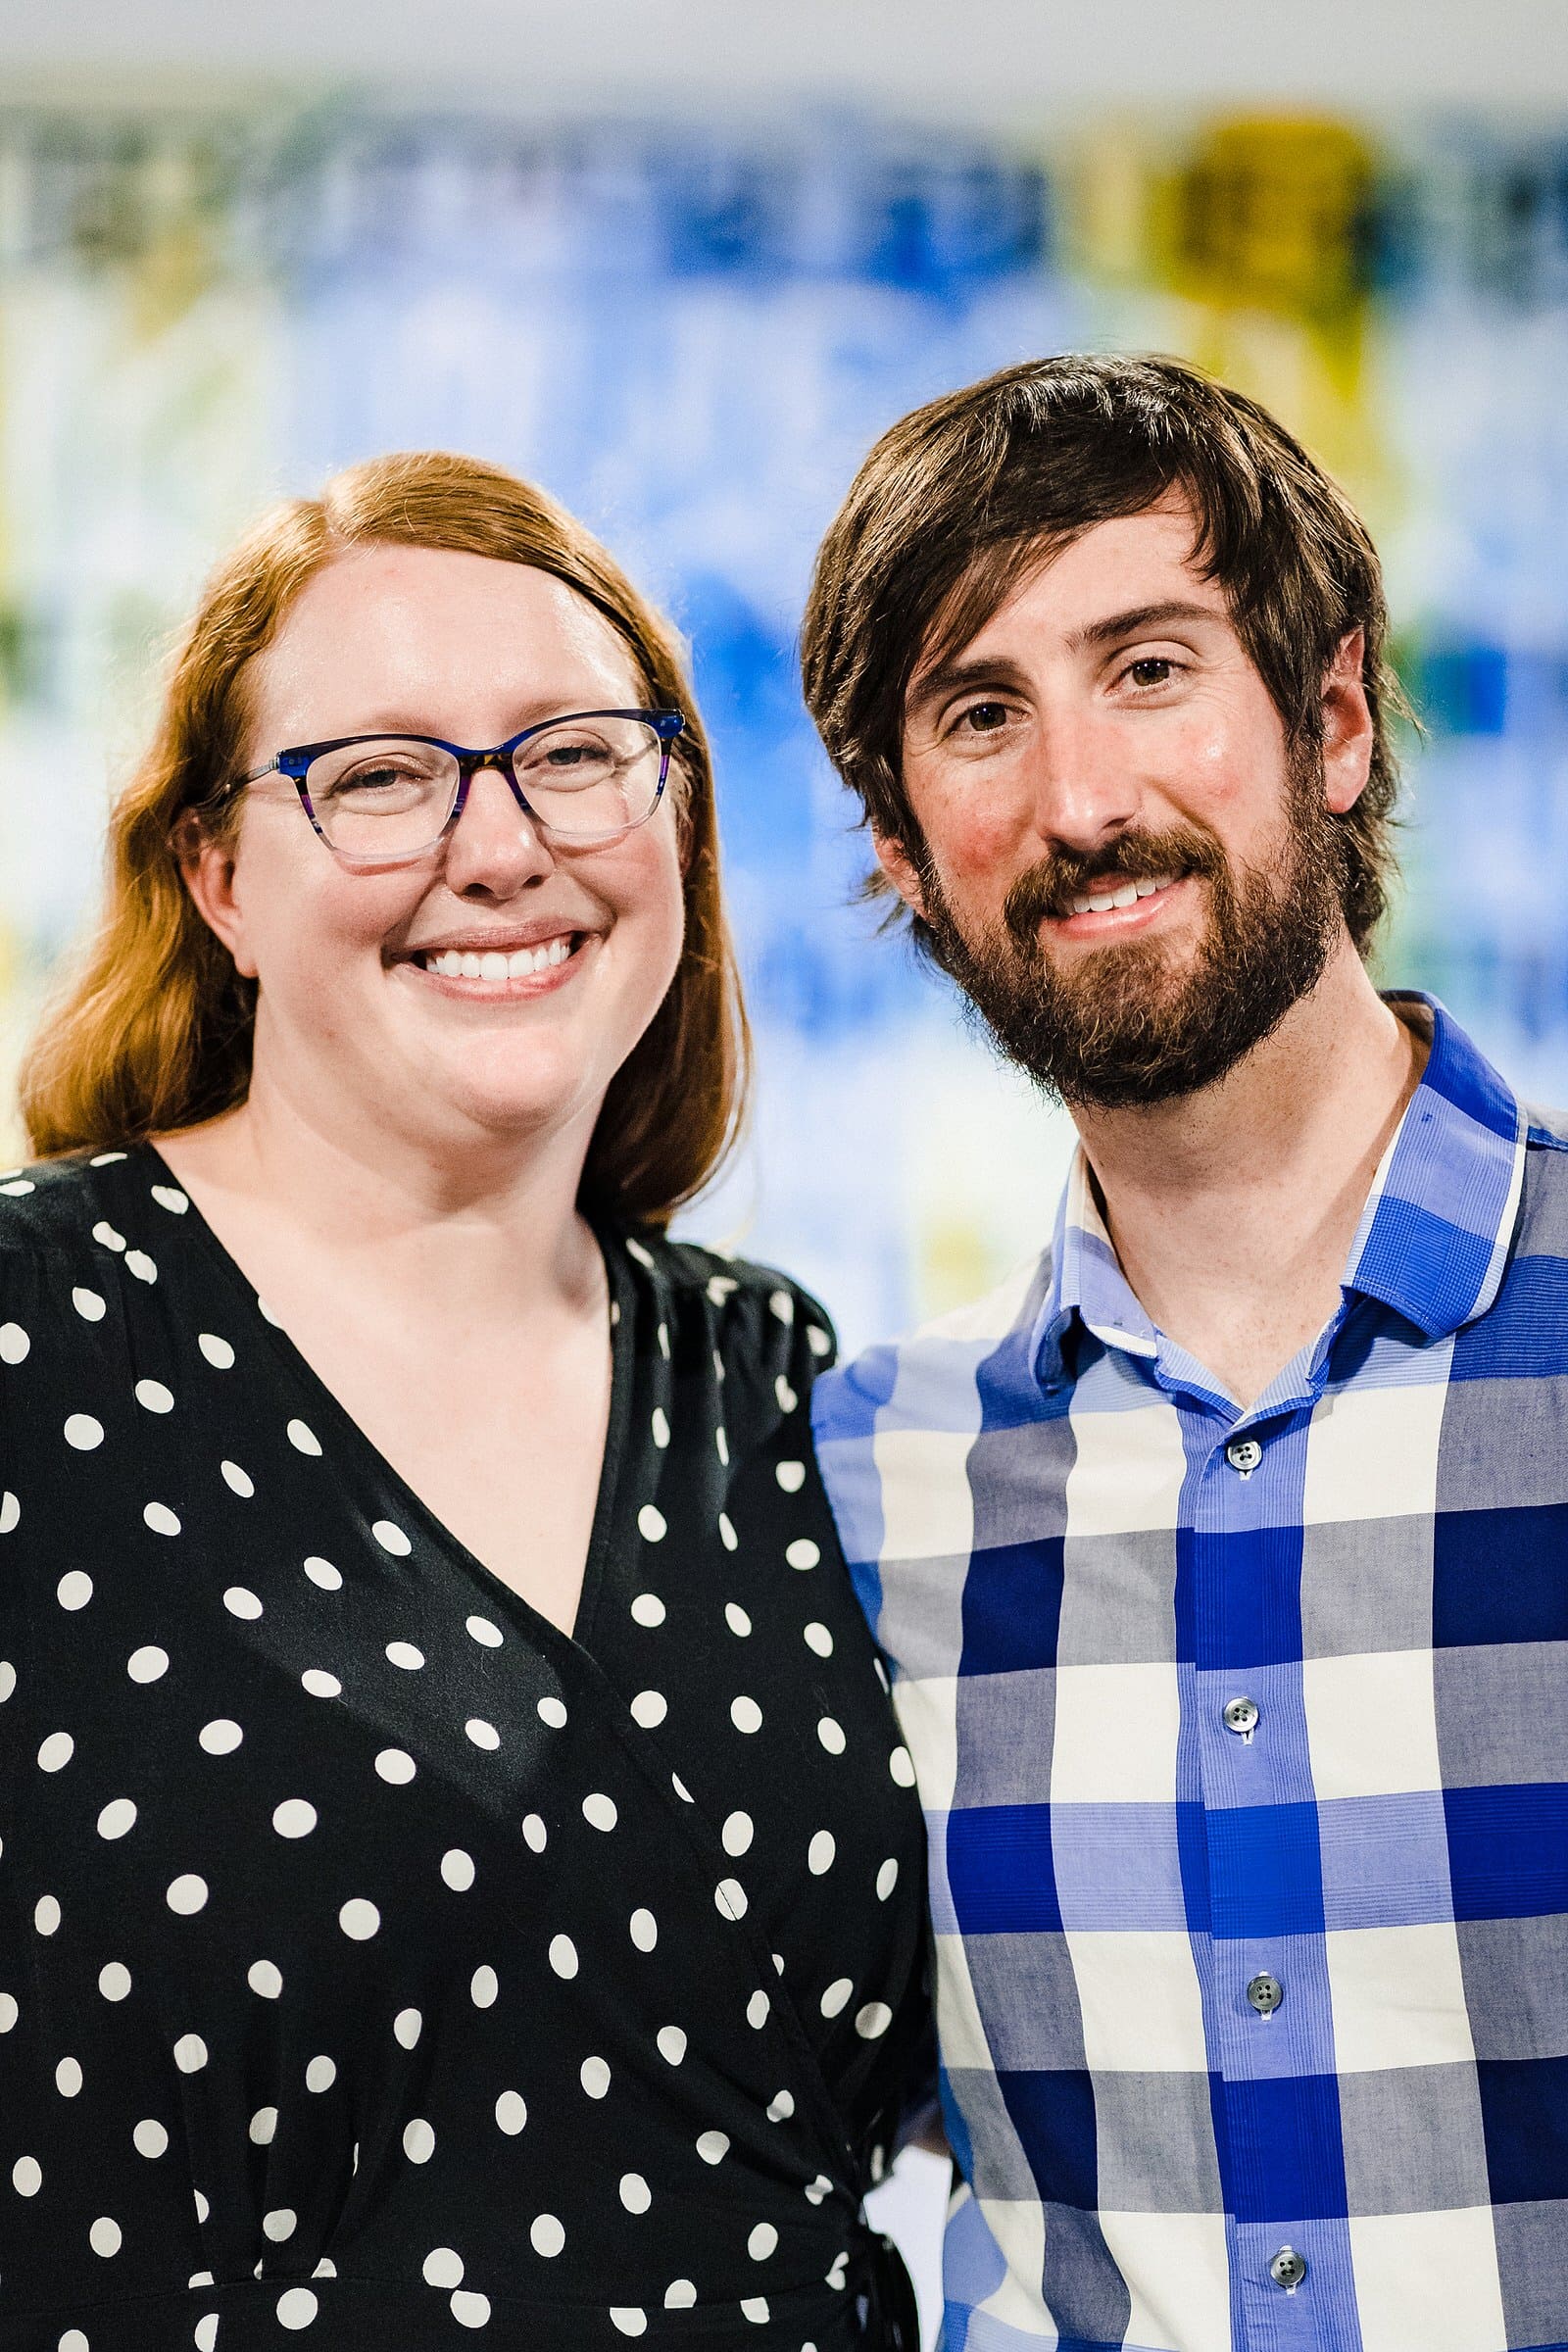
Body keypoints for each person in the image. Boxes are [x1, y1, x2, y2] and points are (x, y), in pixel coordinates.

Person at [0, 452, 930, 2351]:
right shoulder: (35, 1344)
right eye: (380, 777)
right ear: (216, 878)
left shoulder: (775, 1385)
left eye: (575, 753)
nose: (499, 846)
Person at [801, 353, 1568, 2352]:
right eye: (980, 716)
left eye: (1147, 668)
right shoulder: (859, 1478)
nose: (1079, 801)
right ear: (900, 848)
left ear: (1323, 722)